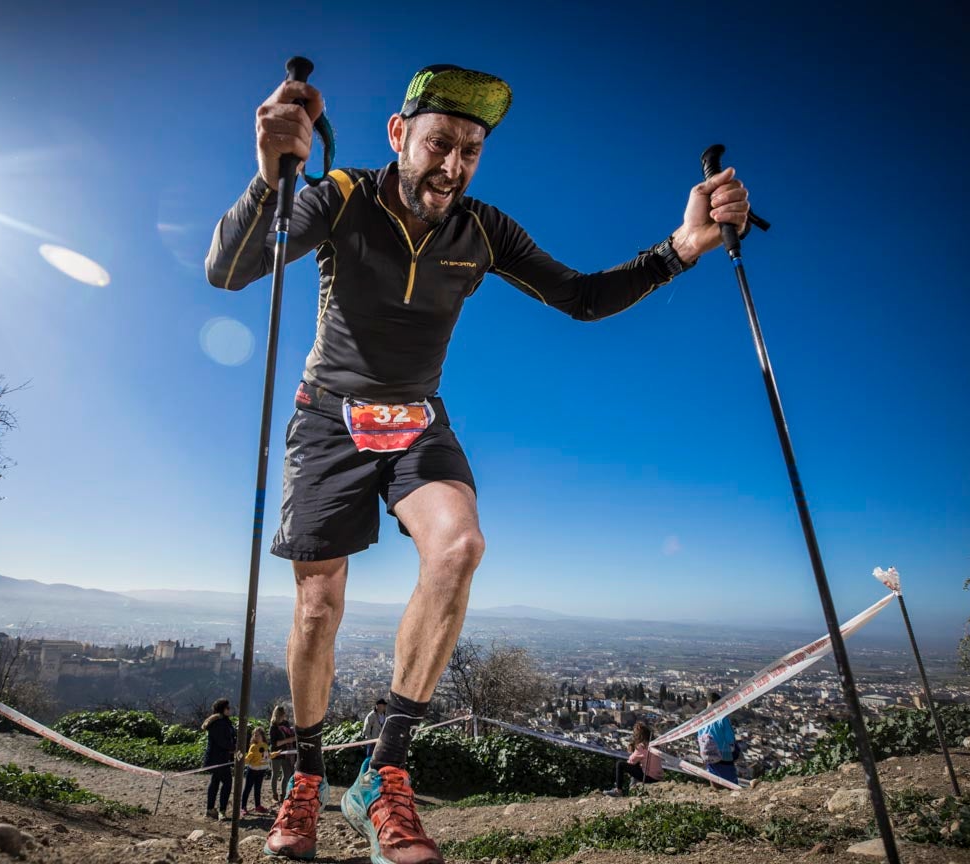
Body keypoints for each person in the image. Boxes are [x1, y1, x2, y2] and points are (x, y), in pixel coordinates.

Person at [206, 64, 750, 864]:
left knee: (460, 545)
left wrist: (682, 247)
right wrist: (266, 180)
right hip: (329, 418)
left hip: (419, 418)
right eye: (438, 143)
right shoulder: (343, 196)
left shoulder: (484, 228)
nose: (452, 166)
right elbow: (229, 268)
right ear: (399, 135)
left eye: (470, 150)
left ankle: (383, 773)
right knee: (318, 607)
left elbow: (582, 297)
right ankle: (307, 779)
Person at [696, 691, 740, 788]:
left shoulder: (701, 719)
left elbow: (699, 737)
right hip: (724, 756)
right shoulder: (722, 718)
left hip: (708, 756)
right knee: (731, 785)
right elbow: (730, 739)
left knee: (714, 779)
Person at [201, 698, 236, 819]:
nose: (230, 710)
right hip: (218, 758)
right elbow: (222, 741)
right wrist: (234, 748)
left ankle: (210, 809)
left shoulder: (224, 721)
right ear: (222, 709)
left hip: (222, 758)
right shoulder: (218, 723)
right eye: (228, 708)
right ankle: (222, 811)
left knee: (215, 782)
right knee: (227, 782)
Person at [611, 721, 663, 794]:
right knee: (637, 763)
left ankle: (618, 790)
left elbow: (631, 761)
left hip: (649, 778)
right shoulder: (654, 745)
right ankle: (633, 786)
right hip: (658, 777)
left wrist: (632, 750)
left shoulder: (642, 746)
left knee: (620, 764)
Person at [268, 705, 297, 804]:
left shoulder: (286, 724)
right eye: (282, 714)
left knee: (287, 774)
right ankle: (274, 794)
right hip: (276, 754)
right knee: (275, 774)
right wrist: (288, 740)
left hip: (287, 754)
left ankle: (284, 794)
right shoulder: (273, 727)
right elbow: (275, 743)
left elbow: (290, 734)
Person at [243, 727, 273, 814]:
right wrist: (243, 759)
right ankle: (243, 807)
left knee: (258, 789)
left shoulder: (265, 745)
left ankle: (258, 806)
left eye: (257, 735)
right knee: (247, 789)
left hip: (261, 771)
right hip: (252, 770)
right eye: (254, 735)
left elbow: (267, 756)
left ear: (262, 735)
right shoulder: (252, 747)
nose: (256, 736)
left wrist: (274, 754)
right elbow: (248, 759)